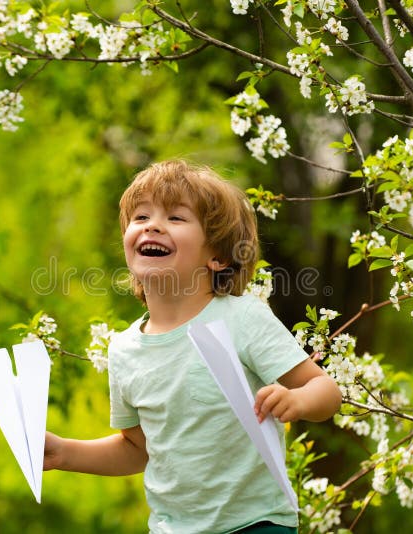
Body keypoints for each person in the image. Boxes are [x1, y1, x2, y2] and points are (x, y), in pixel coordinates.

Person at [43, 160, 342, 533]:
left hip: (256, 524)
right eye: (140, 216)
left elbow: (327, 391)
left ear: (216, 256)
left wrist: (297, 401)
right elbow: (138, 449)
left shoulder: (241, 318)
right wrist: (64, 453)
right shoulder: (124, 350)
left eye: (176, 218)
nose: (152, 225)